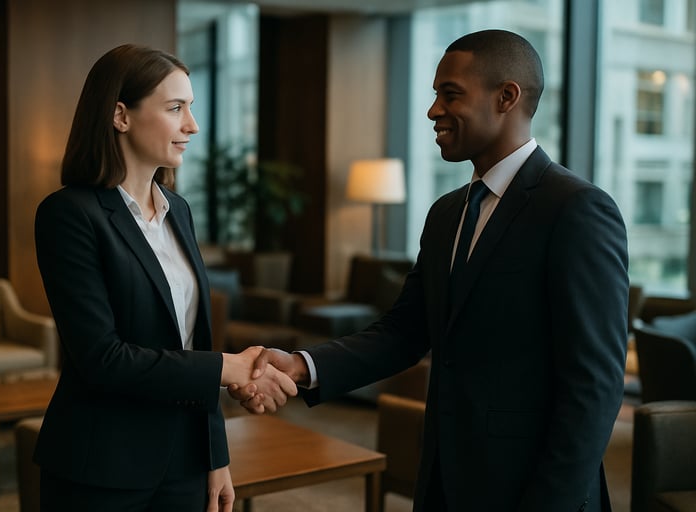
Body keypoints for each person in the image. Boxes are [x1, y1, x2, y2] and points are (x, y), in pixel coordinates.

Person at [238, 29, 629, 511]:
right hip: (445, 481)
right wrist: (300, 366)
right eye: (434, 95)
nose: (432, 111)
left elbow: (594, 386)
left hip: (536, 492)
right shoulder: (447, 213)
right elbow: (404, 332)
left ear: (506, 96)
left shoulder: (576, 209)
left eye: (451, 94)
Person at [33, 44, 297, 512]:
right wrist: (229, 367)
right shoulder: (69, 215)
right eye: (176, 108)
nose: (191, 125)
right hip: (101, 466)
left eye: (190, 108)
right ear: (120, 115)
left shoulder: (180, 212)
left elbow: (193, 343)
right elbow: (102, 358)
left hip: (184, 463)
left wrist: (215, 455)